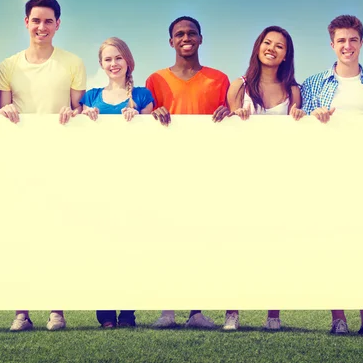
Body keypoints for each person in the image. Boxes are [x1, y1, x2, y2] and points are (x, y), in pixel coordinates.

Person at [300, 15, 363, 336]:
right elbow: (302, 125)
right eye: (341, 40)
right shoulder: (314, 84)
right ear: (332, 44)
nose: (347, 46)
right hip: (328, 173)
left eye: (353, 40)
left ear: (361, 42)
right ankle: (338, 318)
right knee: (335, 243)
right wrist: (314, 116)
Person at [0, 0, 87, 331]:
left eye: (49, 21)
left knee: (57, 231)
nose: (42, 26)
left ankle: (56, 310)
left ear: (58, 24)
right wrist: (4, 108)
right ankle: (22, 310)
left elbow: (79, 110)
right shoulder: (8, 66)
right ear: (26, 22)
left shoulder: (72, 63)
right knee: (22, 232)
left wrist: (74, 111)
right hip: (20, 161)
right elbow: (1, 110)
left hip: (61, 160)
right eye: (36, 20)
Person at [145, 16, 230, 328]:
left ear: (201, 38)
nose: (185, 38)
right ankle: (167, 311)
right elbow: (145, 118)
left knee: (200, 241)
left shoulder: (219, 79)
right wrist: (153, 112)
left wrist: (228, 113)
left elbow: (231, 122)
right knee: (168, 239)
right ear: (171, 42)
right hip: (167, 171)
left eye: (191, 33)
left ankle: (196, 311)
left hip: (206, 172)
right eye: (179, 34)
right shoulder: (155, 80)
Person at [222, 26, 304, 331]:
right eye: (267, 43)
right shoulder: (239, 85)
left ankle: (273, 314)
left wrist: (299, 118)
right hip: (243, 176)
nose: (272, 48)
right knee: (238, 243)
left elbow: (298, 135)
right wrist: (236, 116)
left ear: (286, 55)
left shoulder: (293, 90)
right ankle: (233, 311)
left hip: (279, 177)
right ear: (258, 47)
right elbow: (229, 131)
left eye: (279, 46)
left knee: (276, 244)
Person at [81, 37, 154, 328]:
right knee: (102, 245)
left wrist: (139, 120)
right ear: (101, 64)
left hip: (132, 180)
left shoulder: (143, 95)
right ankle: (105, 314)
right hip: (99, 180)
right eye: (108, 59)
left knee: (130, 245)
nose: (113, 64)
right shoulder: (90, 97)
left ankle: (127, 312)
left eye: (118, 58)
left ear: (128, 62)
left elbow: (152, 141)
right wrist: (84, 116)